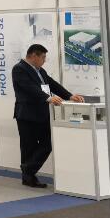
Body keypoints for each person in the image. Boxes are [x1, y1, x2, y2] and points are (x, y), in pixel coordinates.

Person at [12, 43, 84, 188]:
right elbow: (30, 88)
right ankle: (28, 177)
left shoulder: (40, 71)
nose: (44, 60)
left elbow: (52, 84)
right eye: (43, 57)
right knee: (28, 147)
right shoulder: (19, 69)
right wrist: (48, 98)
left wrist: (69, 96)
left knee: (48, 142)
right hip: (27, 115)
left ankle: (27, 169)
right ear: (34, 56)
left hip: (41, 114)